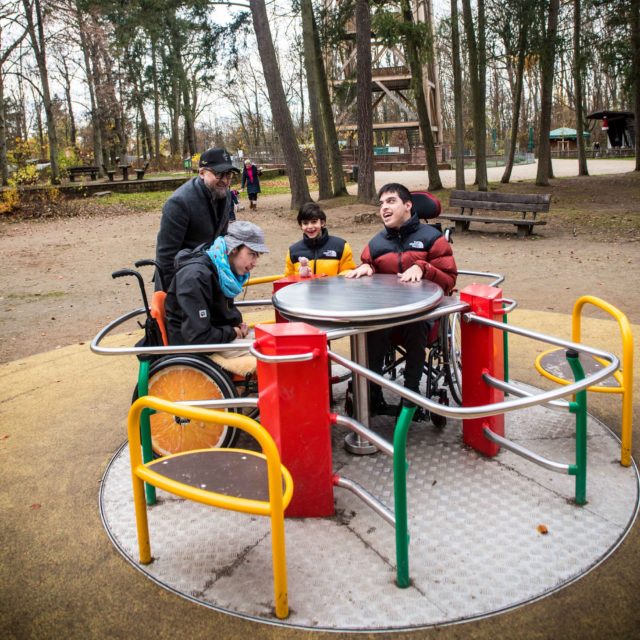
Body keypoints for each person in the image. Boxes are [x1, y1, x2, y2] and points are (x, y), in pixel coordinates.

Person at [346, 182, 457, 414]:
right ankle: (371, 392)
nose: (384, 208)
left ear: (408, 205)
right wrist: (368, 268)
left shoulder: (432, 238)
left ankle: (411, 394)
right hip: (386, 314)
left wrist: (423, 268)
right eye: (381, 204)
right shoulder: (376, 244)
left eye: (391, 201)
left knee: (414, 325)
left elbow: (449, 281)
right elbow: (368, 271)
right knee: (370, 328)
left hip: (421, 316)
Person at [165, 220, 268, 347]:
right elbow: (197, 337)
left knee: (269, 343)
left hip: (213, 339)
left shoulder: (222, 270)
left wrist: (237, 326)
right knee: (266, 354)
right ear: (234, 248)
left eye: (257, 256)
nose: (254, 262)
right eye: (252, 254)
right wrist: (232, 332)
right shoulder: (195, 277)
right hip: (194, 350)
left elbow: (221, 312)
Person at [155, 147, 239, 290]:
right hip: (180, 280)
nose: (225, 181)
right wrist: (168, 295)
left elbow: (221, 239)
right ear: (201, 173)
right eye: (219, 174)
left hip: (208, 276)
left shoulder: (226, 195)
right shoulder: (179, 203)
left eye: (229, 174)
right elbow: (166, 257)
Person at [284, 202, 356, 277]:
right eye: (305, 223)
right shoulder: (293, 251)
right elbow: (288, 279)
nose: (310, 226)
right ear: (300, 225)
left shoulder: (341, 246)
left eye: (314, 222)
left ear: (322, 223)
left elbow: (348, 272)